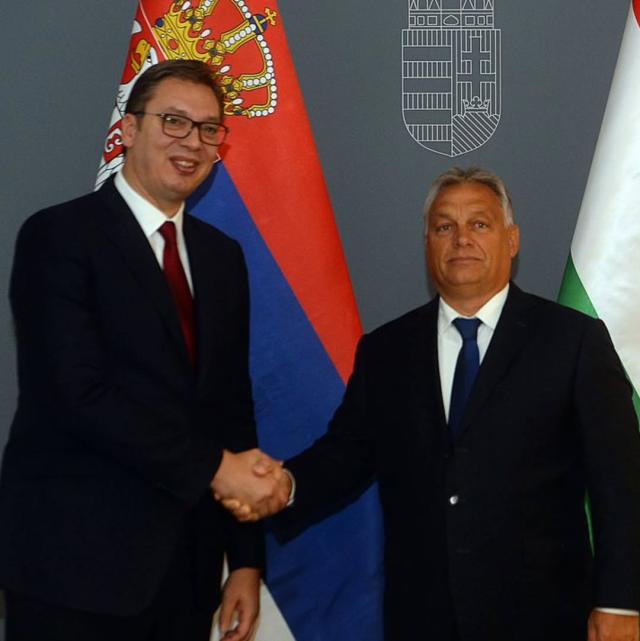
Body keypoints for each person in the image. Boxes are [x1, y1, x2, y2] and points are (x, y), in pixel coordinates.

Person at [221, 167, 640, 641]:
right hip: (422, 617)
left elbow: (620, 481)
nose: (461, 239)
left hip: (544, 618)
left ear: (512, 240)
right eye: (444, 226)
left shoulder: (572, 341)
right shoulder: (385, 351)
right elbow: (345, 457)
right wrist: (285, 485)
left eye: (479, 223)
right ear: (427, 244)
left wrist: (620, 602)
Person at [0, 60, 288, 641]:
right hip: (73, 570)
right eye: (173, 121)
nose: (192, 142)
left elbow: (231, 406)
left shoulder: (222, 257)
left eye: (209, 129)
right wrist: (217, 470)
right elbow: (77, 394)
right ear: (128, 130)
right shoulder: (59, 236)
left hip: (186, 573)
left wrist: (245, 560)